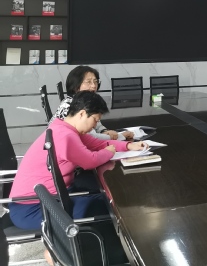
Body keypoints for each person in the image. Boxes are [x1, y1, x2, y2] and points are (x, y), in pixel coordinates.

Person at [9, 92, 148, 229]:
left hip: (54, 199)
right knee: (109, 206)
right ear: (82, 113)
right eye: (95, 120)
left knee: (107, 199)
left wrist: (129, 145)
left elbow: (97, 144)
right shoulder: (65, 136)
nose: (95, 126)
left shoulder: (64, 128)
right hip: (33, 208)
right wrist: (108, 152)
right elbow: (90, 161)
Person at [52, 65, 134, 140]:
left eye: (95, 81)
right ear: (76, 86)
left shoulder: (86, 102)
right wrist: (119, 137)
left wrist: (104, 131)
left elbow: (96, 122)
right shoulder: (69, 105)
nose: (94, 86)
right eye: (88, 82)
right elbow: (90, 138)